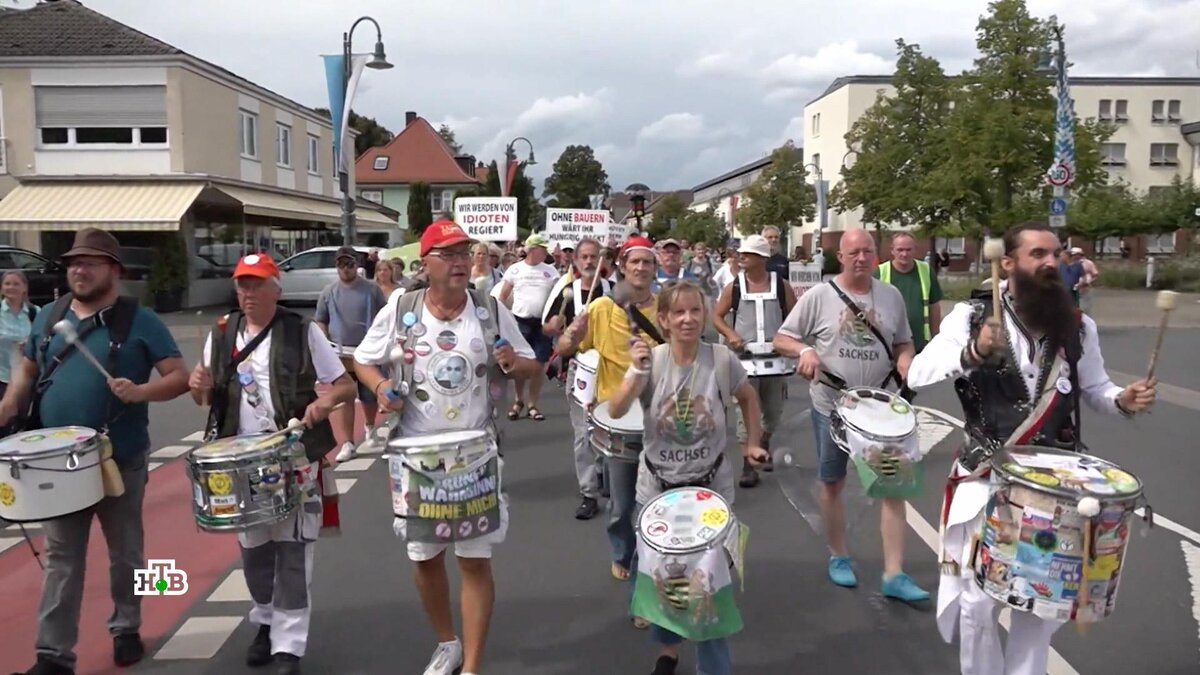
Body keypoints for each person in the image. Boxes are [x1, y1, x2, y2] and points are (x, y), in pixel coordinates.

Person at [907, 221, 1157, 675]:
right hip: (986, 481)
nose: (1050, 262)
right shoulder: (971, 317)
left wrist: (1122, 400)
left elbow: (1095, 389)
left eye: (1056, 254)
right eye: (1037, 254)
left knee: (1041, 610)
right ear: (1008, 264)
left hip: (1053, 490)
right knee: (978, 603)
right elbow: (917, 374)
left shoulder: (1079, 328)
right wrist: (971, 352)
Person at [0, 228, 189, 675]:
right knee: (62, 556)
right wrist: (10, 402)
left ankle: (127, 626)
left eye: (88, 262)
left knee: (127, 552)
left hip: (118, 458)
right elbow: (28, 364)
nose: (77, 270)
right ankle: (53, 654)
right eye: (71, 263)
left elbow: (179, 376)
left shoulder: (140, 320)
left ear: (114, 270)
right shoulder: (50, 314)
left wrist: (141, 391)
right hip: (60, 463)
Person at [354, 219, 539, 675]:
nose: (461, 263)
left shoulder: (489, 310)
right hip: (416, 455)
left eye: (465, 254)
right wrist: (380, 387)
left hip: (475, 453)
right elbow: (362, 358)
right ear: (426, 263)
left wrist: (515, 363)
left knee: (474, 561)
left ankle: (472, 666)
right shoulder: (401, 307)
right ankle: (447, 641)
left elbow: (533, 366)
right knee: (426, 557)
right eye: (450, 255)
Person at [188, 254, 354, 675]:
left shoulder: (301, 331)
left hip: (292, 457)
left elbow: (345, 386)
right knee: (255, 556)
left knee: (293, 552)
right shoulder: (222, 333)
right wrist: (198, 386)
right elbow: (204, 399)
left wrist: (324, 402)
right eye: (242, 285)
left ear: (276, 288)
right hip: (240, 463)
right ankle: (265, 620)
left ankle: (289, 646)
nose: (248, 293)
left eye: (257, 284)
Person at [607, 280, 768, 675]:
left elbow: (748, 397)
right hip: (658, 489)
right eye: (678, 312)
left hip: (710, 488)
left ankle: (713, 666)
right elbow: (615, 409)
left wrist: (751, 442)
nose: (688, 319)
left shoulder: (721, 361)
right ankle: (667, 650)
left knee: (710, 581)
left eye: (695, 310)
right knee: (664, 575)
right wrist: (634, 371)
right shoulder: (653, 362)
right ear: (662, 319)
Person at [772, 229, 929, 602]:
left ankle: (894, 573)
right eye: (854, 252)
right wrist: (805, 351)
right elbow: (783, 337)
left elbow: (904, 340)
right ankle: (838, 554)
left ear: (877, 256)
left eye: (868, 251)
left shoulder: (890, 296)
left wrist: (906, 358)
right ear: (840, 257)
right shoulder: (821, 296)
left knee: (893, 489)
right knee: (832, 482)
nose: (862, 258)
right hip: (833, 407)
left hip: (881, 410)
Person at [557, 236, 661, 618]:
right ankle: (621, 550)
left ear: (654, 268)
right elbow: (566, 348)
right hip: (615, 416)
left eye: (647, 263)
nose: (640, 268)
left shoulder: (665, 307)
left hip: (657, 414)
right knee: (621, 505)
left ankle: (648, 577)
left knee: (655, 505)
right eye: (634, 262)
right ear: (622, 266)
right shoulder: (601, 307)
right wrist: (572, 330)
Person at [712, 235, 796, 488]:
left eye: (747, 254)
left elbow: (795, 317)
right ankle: (749, 464)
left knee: (772, 413)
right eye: (741, 254)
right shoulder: (735, 287)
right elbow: (716, 316)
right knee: (745, 412)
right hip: (744, 360)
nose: (742, 257)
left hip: (775, 358)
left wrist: (789, 341)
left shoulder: (781, 286)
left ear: (762, 259)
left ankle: (763, 442)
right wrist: (731, 334)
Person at [541, 238, 612, 520]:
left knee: (610, 430)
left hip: (609, 369)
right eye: (584, 256)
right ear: (576, 261)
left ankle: (607, 476)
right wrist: (555, 327)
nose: (589, 261)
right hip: (580, 369)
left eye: (594, 256)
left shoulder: (612, 291)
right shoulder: (567, 291)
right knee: (583, 434)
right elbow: (547, 328)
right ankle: (588, 492)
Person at [315, 246, 388, 461]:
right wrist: (323, 343)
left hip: (367, 351)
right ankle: (347, 443)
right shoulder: (328, 292)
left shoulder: (372, 290)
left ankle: (369, 427)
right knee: (346, 395)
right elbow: (321, 320)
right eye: (341, 265)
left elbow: (385, 316)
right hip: (340, 353)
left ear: (357, 266)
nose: (345, 269)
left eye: (349, 264)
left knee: (369, 395)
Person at [498, 233, 560, 422]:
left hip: (542, 323)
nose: (545, 253)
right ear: (533, 250)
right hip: (520, 321)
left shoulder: (551, 271)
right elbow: (502, 297)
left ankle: (533, 404)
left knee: (538, 365)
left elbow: (558, 298)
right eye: (543, 249)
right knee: (520, 363)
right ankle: (518, 401)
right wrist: (504, 320)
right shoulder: (515, 270)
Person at [876, 231, 944, 354]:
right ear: (892, 250)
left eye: (908, 249)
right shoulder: (880, 273)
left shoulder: (926, 271)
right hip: (889, 345)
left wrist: (936, 338)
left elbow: (934, 306)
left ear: (915, 249)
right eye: (900, 250)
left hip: (921, 344)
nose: (904, 254)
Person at [0, 271, 37, 404]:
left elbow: (43, 341)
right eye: (7, 284)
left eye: (16, 284)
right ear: (1, 288)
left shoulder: (35, 312)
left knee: (23, 421)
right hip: (2, 377)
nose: (11, 287)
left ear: (24, 288)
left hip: (25, 379)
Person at [1071, 247, 1100, 316]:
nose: (1075, 256)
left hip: (1085, 289)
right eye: (1073, 255)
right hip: (1072, 289)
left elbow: (1095, 274)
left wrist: (1089, 282)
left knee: (1085, 308)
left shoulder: (1088, 263)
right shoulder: (1069, 263)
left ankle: (1087, 324)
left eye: (1077, 254)